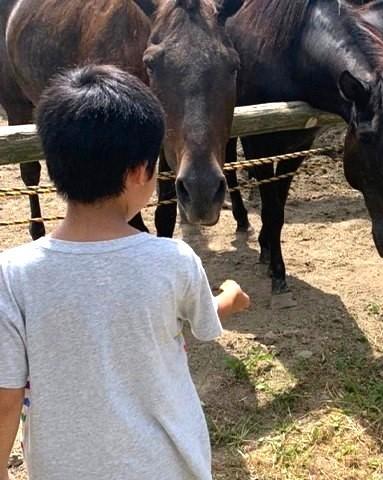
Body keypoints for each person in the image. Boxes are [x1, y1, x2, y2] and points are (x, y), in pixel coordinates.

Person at [0, 65, 250, 480]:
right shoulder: (174, 260)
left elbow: (7, 396)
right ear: (139, 171)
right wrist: (232, 296)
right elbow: (198, 319)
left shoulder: (12, 275)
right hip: (168, 465)